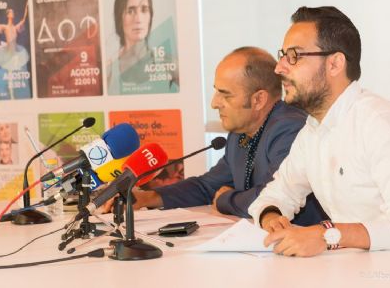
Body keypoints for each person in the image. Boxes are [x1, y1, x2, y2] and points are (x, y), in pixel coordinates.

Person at [249, 6, 390, 257]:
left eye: (294, 56)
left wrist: (327, 235)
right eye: (283, 55)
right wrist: (272, 218)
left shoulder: (382, 123)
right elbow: (278, 193)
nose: (279, 68)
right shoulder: (312, 130)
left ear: (334, 63)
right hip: (353, 267)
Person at [125, 46, 325, 222]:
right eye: (216, 91)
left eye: (225, 95)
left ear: (258, 100)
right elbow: (207, 186)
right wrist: (148, 197)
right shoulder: (241, 133)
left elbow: (272, 197)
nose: (214, 103)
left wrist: (225, 200)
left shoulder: (290, 128)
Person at [106, 0, 178, 94]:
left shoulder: (169, 64)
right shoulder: (109, 69)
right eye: (130, 11)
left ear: (150, 16)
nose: (138, 19)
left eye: (144, 10)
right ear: (119, 17)